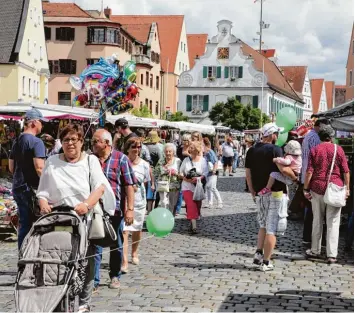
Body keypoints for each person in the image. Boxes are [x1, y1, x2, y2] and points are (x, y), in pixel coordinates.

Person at [36, 124, 116, 313]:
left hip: (83, 219)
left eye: (74, 139)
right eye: (66, 140)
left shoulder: (90, 161)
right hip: (58, 219)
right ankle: (58, 296)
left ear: (81, 141)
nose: (70, 143)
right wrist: (43, 203)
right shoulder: (52, 161)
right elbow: (43, 190)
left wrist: (86, 204)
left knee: (84, 261)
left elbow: (100, 187)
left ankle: (84, 302)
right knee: (57, 258)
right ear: (61, 143)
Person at [245, 123, 297, 272]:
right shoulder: (276, 149)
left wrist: (252, 191)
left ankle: (258, 253)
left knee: (263, 224)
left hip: (260, 192)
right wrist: (295, 177)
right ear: (272, 135)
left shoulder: (252, 150)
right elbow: (283, 169)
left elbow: (248, 174)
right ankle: (266, 262)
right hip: (276, 192)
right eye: (277, 133)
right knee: (271, 228)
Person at [91, 129, 136, 290]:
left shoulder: (121, 159)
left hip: (115, 209)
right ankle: (94, 280)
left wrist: (130, 209)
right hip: (95, 209)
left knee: (116, 243)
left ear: (107, 143)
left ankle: (114, 275)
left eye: (96, 141)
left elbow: (129, 185)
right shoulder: (90, 159)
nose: (93, 144)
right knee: (94, 243)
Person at [303, 126, 350, 264]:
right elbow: (346, 171)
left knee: (317, 220)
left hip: (317, 187)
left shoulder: (315, 150)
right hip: (335, 188)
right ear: (331, 136)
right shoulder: (338, 149)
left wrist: (305, 188)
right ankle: (332, 254)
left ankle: (315, 250)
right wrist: (347, 188)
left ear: (320, 137)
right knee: (333, 222)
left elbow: (309, 172)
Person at [9, 108, 47, 249]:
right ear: (34, 123)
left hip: (17, 186)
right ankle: (30, 256)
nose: (42, 125)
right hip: (30, 188)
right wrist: (48, 185)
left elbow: (12, 168)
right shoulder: (37, 142)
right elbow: (39, 167)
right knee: (35, 223)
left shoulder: (16, 141)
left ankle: (22, 257)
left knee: (24, 223)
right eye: (41, 122)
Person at [122, 138, 151, 272]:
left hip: (139, 200)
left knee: (137, 228)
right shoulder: (123, 161)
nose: (137, 149)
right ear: (128, 148)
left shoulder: (144, 164)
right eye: (134, 146)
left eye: (139, 147)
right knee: (124, 230)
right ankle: (124, 261)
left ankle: (134, 252)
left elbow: (145, 182)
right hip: (124, 200)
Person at [301, 119, 328, 245]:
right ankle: (312, 238)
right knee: (314, 211)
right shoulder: (315, 138)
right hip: (312, 177)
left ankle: (307, 236)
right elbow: (317, 159)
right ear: (320, 126)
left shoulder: (308, 136)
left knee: (310, 209)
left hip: (307, 176)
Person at [179, 141, 208, 234]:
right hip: (186, 186)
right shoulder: (186, 160)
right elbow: (180, 172)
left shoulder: (202, 161)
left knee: (197, 206)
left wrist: (198, 178)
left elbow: (205, 173)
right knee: (191, 205)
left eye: (192, 148)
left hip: (198, 187)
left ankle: (192, 221)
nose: (189, 149)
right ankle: (194, 227)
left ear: (197, 150)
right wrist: (185, 178)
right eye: (189, 148)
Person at [154, 143, 181, 214]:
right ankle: (165, 217)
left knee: (173, 204)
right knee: (163, 202)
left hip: (174, 186)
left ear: (173, 152)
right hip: (163, 185)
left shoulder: (178, 161)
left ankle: (171, 219)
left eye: (170, 151)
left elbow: (181, 174)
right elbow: (155, 173)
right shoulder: (161, 161)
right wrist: (163, 173)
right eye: (166, 151)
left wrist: (175, 173)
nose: (168, 153)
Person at [144, 130, 163, 210]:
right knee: (154, 190)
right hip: (155, 170)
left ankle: (147, 208)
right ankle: (153, 208)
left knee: (147, 190)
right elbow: (160, 160)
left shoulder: (144, 146)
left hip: (145, 169)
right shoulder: (158, 147)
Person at [203, 137, 223, 209]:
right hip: (207, 173)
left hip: (213, 172)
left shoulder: (210, 152)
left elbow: (215, 161)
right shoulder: (204, 153)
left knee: (213, 187)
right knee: (208, 187)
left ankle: (220, 202)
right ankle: (210, 203)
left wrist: (214, 170)